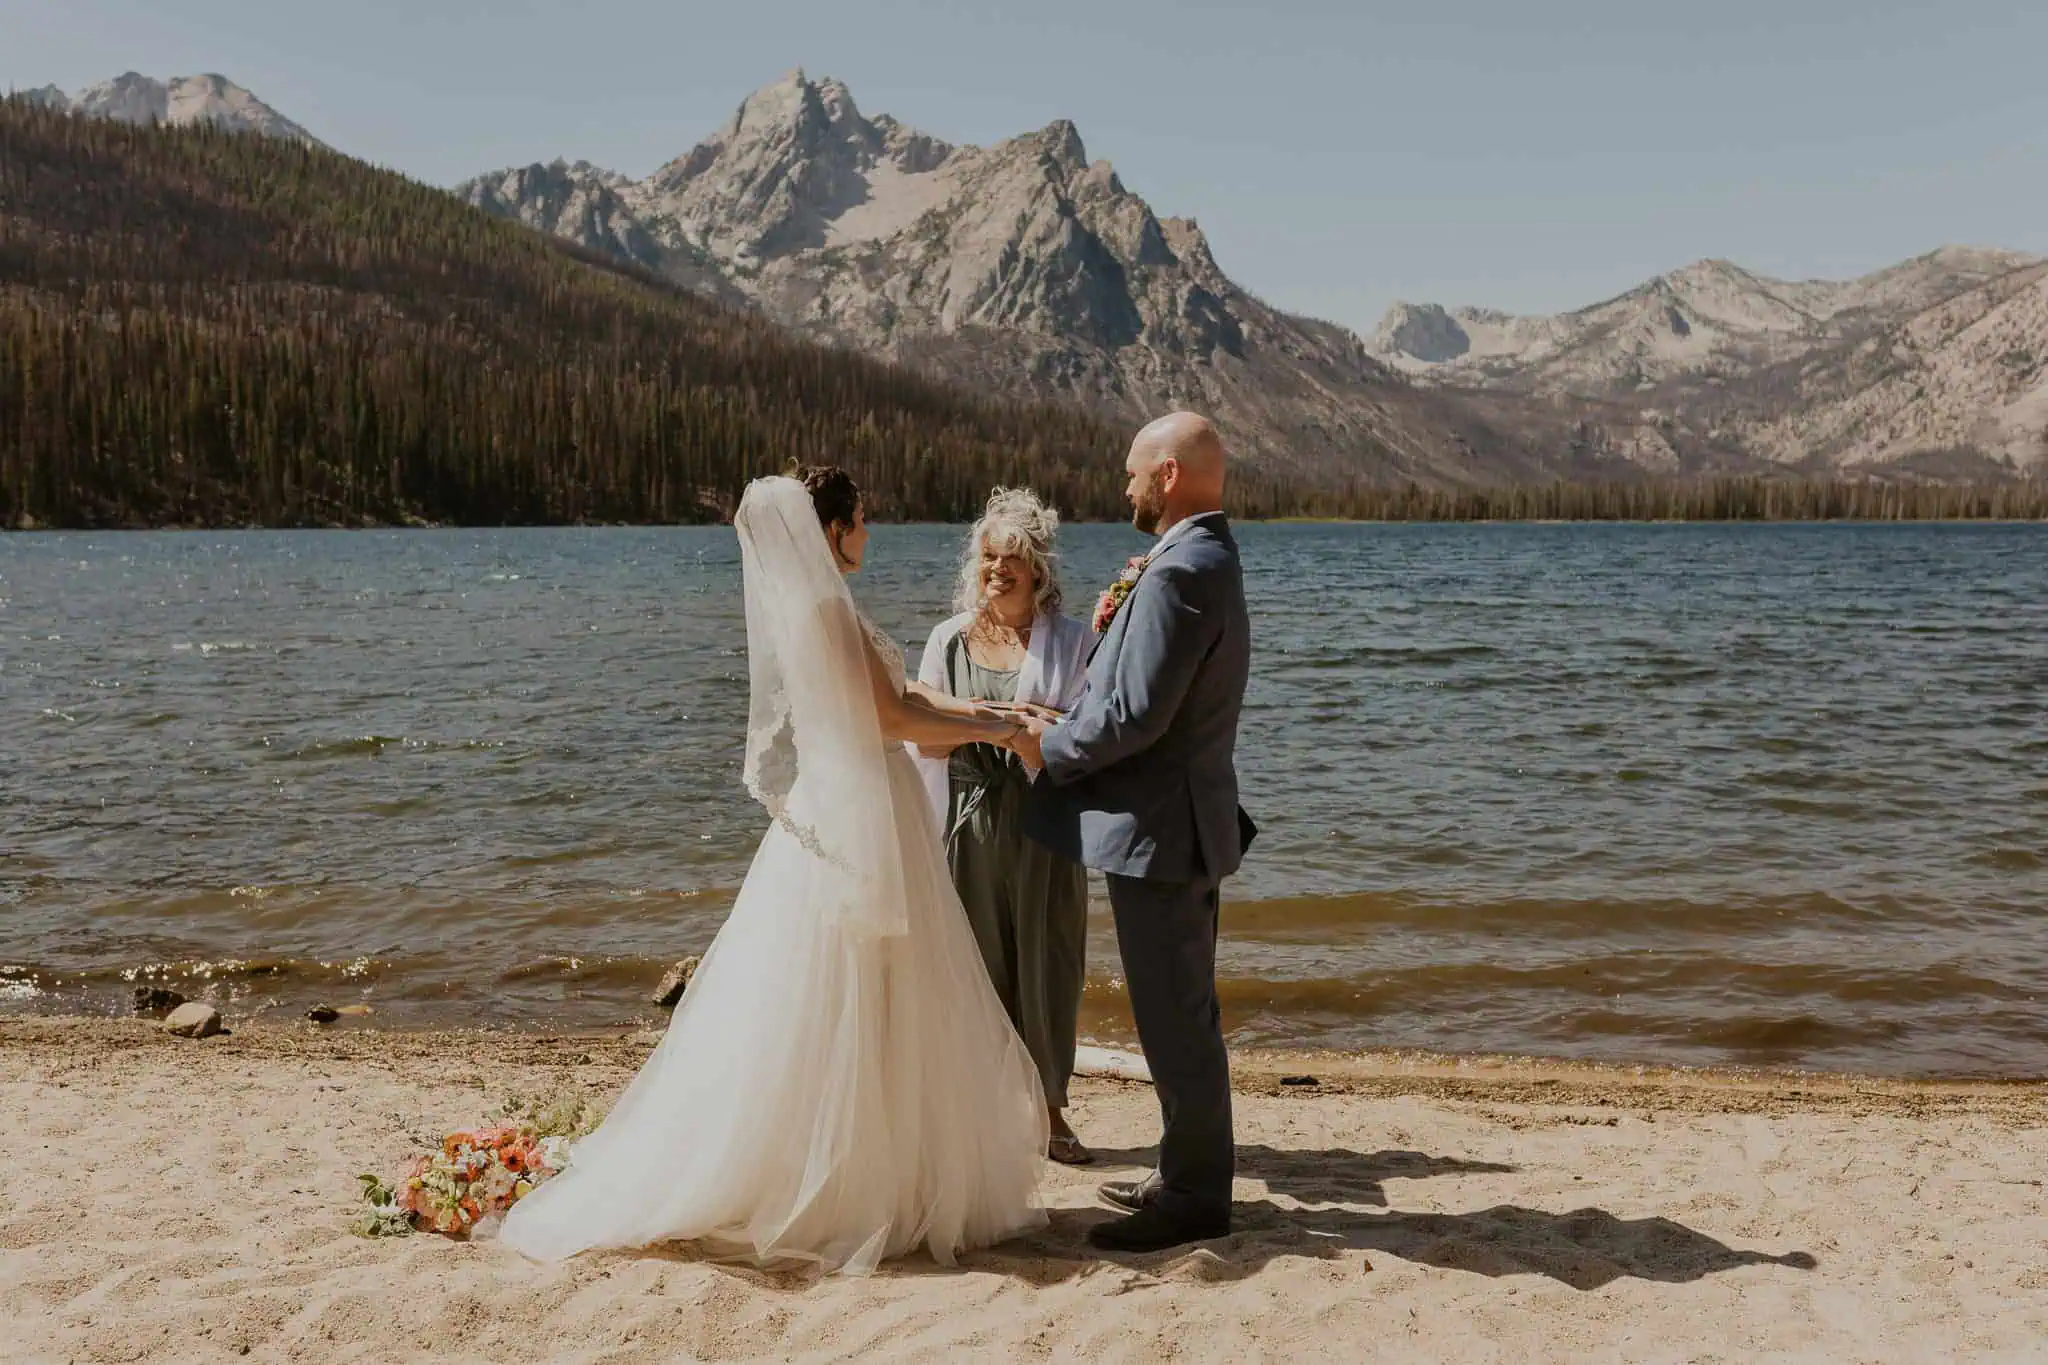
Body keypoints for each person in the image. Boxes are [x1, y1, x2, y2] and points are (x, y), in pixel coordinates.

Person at [499, 467, 1049, 1275]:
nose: (870, 533)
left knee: (851, 993)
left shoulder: (815, 604)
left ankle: (876, 1171)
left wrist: (995, 715)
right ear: (833, 530)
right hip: (862, 810)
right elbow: (891, 715)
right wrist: (1001, 730)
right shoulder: (828, 608)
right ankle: (864, 1184)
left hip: (850, 804)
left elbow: (903, 690)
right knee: (863, 992)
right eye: (862, 519)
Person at [1014, 412, 1257, 1254]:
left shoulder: (1184, 567)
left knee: (1176, 1016)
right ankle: (1184, 1170)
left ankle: (1194, 1197)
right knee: (1177, 1011)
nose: (1121, 486)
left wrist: (1046, 743)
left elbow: (1136, 714)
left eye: (1130, 471)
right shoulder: (1200, 558)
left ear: (1165, 475)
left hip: (1164, 830)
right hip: (1175, 824)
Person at [910, 488, 1095, 1166]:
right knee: (975, 969)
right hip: (967, 822)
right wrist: (1004, 725)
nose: (997, 570)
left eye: (1011, 558)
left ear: (1038, 567)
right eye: (988, 557)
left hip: (1047, 825)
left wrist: (1022, 731)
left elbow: (1084, 738)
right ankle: (981, 1117)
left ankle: (1050, 1111)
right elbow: (922, 738)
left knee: (1050, 964)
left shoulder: (1076, 641)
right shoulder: (947, 640)